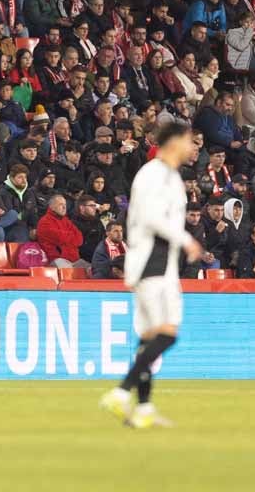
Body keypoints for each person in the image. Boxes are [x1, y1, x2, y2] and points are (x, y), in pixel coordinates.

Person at [100, 122, 203, 429]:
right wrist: (187, 240)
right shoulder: (153, 174)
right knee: (167, 333)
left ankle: (143, 408)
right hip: (152, 262)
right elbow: (151, 217)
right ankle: (121, 392)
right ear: (172, 142)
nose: (193, 147)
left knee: (149, 338)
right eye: (189, 141)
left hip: (160, 262)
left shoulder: (169, 176)